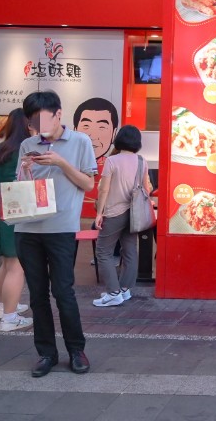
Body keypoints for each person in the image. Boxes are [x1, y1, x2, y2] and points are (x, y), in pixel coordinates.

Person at [16, 90, 97, 378]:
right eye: (33, 120)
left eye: (44, 118)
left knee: (63, 292)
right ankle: (46, 353)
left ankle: (76, 350)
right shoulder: (28, 143)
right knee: (37, 295)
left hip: (61, 227)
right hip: (27, 229)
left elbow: (88, 184)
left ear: (59, 114)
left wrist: (60, 162)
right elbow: (22, 188)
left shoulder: (80, 141)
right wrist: (26, 170)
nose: (39, 126)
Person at [0, 108, 33, 332]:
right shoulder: (27, 149)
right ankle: (9, 319)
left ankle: (4, 307)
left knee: (6, 263)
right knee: (17, 266)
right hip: (16, 209)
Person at [92, 125, 152, 307]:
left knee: (103, 252)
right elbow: (147, 188)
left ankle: (113, 292)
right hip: (134, 214)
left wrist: (99, 213)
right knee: (130, 250)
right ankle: (125, 290)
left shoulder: (112, 161)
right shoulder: (142, 161)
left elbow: (104, 189)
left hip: (114, 212)